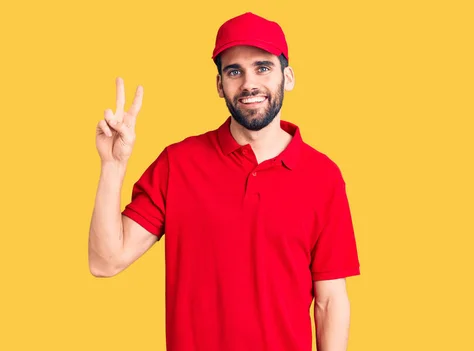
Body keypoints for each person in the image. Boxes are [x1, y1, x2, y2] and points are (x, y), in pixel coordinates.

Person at [89, 12, 360, 351]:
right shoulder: (178, 164)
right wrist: (113, 165)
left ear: (287, 77)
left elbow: (330, 301)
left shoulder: (323, 177)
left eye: (263, 68)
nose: (249, 84)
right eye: (234, 71)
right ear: (220, 85)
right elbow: (104, 261)